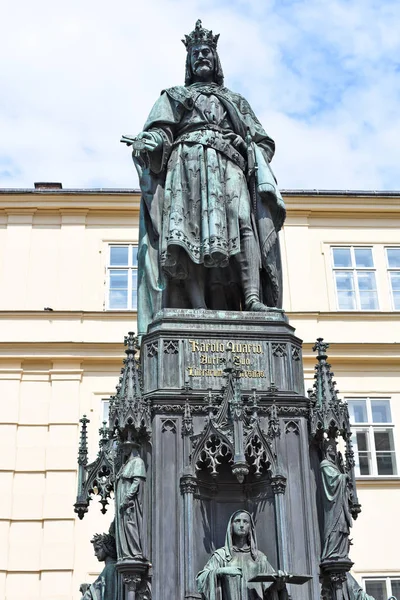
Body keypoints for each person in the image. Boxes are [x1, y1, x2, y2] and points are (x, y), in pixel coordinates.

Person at [122, 20, 286, 338]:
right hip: (186, 165)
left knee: (243, 221)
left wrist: (247, 145)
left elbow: (262, 142)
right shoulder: (174, 96)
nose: (201, 58)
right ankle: (195, 304)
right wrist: (149, 142)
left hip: (229, 164)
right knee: (189, 230)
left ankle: (252, 298)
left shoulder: (236, 101)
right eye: (196, 54)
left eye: (207, 53)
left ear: (216, 59)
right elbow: (159, 133)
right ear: (189, 62)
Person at [196, 510, 285, 600]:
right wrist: (220, 571)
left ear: (250, 527)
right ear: (231, 526)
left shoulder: (259, 558)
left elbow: (270, 590)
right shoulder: (221, 556)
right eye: (237, 521)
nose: (241, 525)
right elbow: (201, 579)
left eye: (245, 521)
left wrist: (279, 583)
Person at [320, 441, 353, 564]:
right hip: (333, 505)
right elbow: (332, 481)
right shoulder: (325, 465)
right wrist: (343, 477)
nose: (334, 450)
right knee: (336, 526)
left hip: (340, 502)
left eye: (334, 448)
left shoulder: (335, 466)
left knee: (343, 527)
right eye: (331, 448)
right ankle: (332, 553)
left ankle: (341, 552)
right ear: (327, 450)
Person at [115, 442, 147, 561]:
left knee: (130, 524)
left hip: (129, 503)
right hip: (122, 503)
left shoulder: (137, 462)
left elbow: (137, 481)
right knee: (124, 526)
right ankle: (126, 553)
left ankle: (135, 553)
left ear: (133, 448)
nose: (124, 450)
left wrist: (127, 497)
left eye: (126, 447)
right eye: (123, 448)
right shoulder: (126, 464)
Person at [80, 533, 118, 600]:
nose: (95, 554)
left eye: (97, 549)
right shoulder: (110, 567)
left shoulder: (110, 568)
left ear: (106, 548)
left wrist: (87, 591)